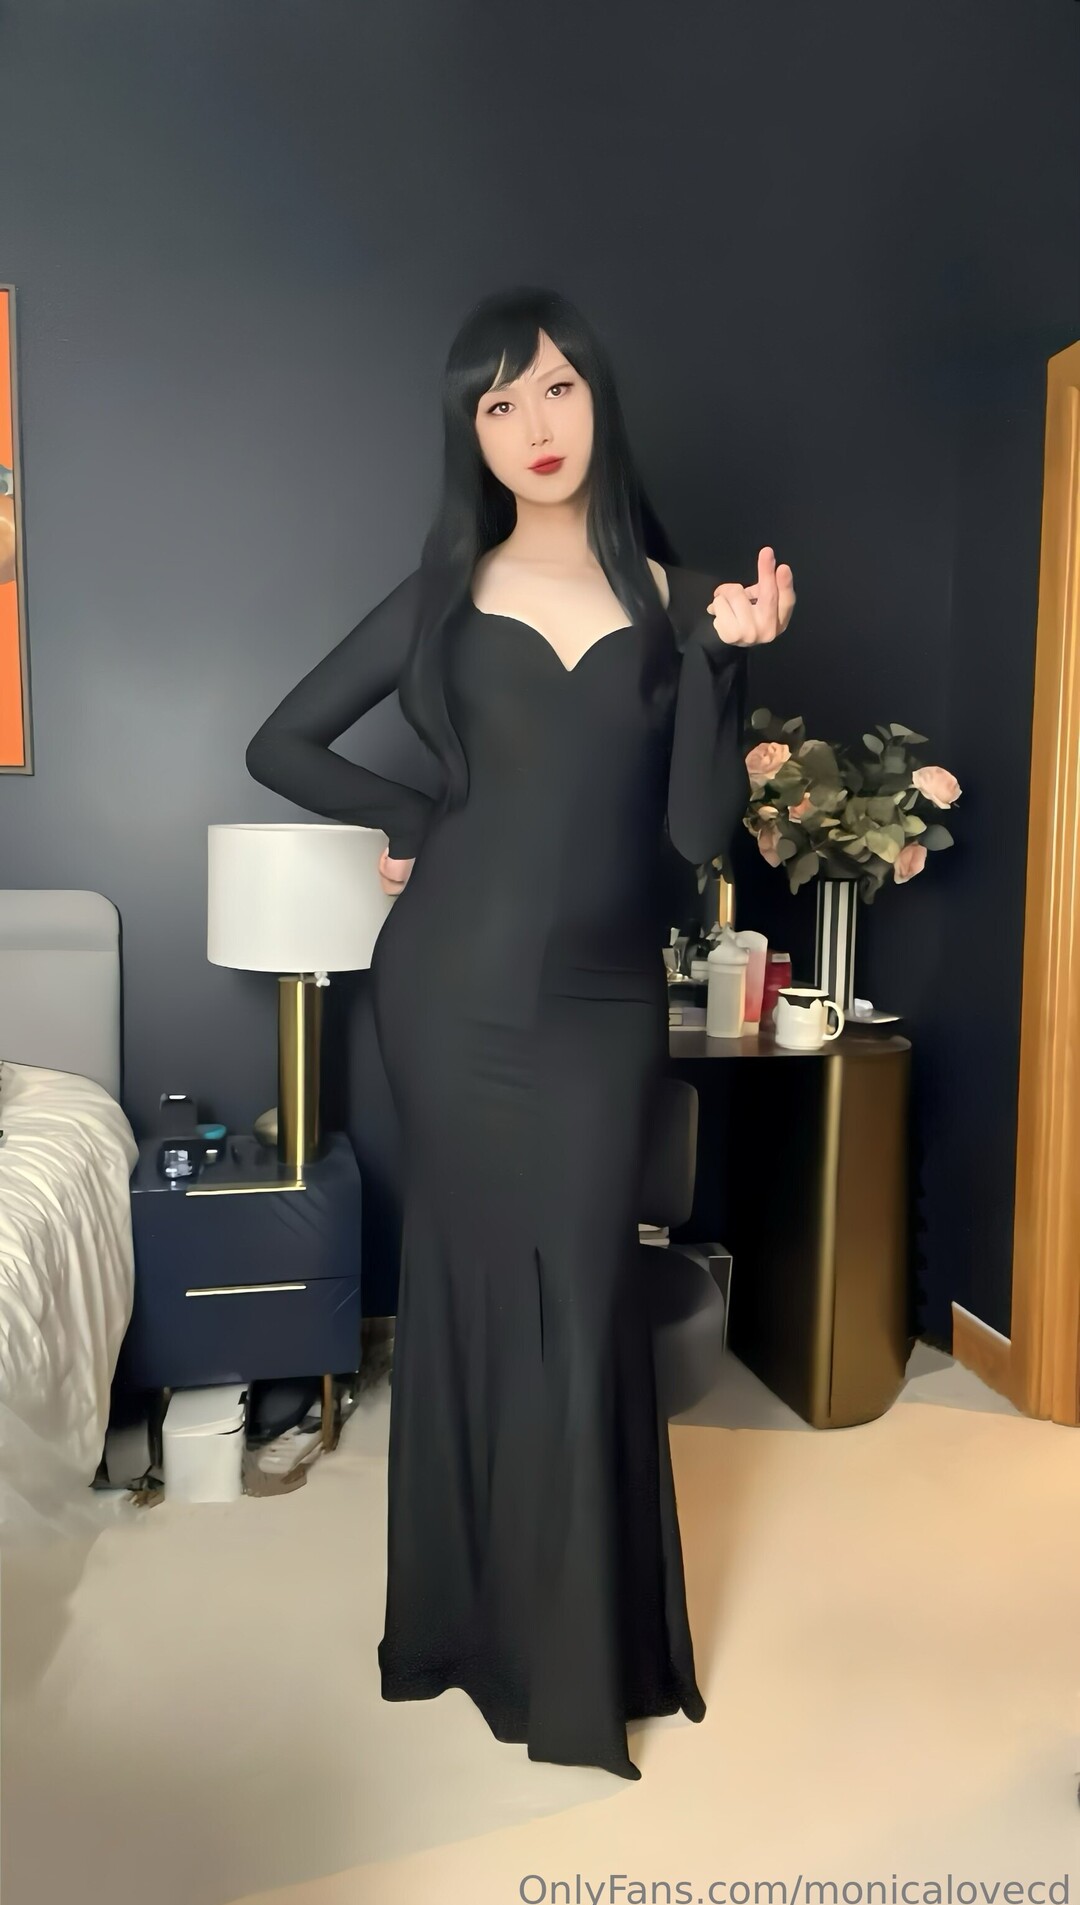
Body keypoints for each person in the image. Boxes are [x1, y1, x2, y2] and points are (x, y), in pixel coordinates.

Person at [245, 286, 795, 1780]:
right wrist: (421, 813)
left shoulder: (687, 605)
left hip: (603, 1006)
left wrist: (729, 660)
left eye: (554, 388)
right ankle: (462, 1630)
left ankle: (577, 1653)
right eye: (498, 405)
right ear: (471, 436)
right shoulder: (444, 591)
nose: (534, 426)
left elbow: (697, 836)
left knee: (585, 1296)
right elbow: (281, 739)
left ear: (597, 395)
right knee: (470, 1289)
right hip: (448, 993)